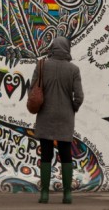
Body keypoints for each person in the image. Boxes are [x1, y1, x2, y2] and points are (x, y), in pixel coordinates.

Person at [30, 36, 84, 204]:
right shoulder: (74, 69)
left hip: (45, 115)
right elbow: (79, 96)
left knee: (46, 154)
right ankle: (67, 194)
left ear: (53, 47)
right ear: (67, 48)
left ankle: (44, 194)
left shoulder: (42, 66)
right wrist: (73, 107)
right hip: (65, 117)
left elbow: (32, 89)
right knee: (66, 154)